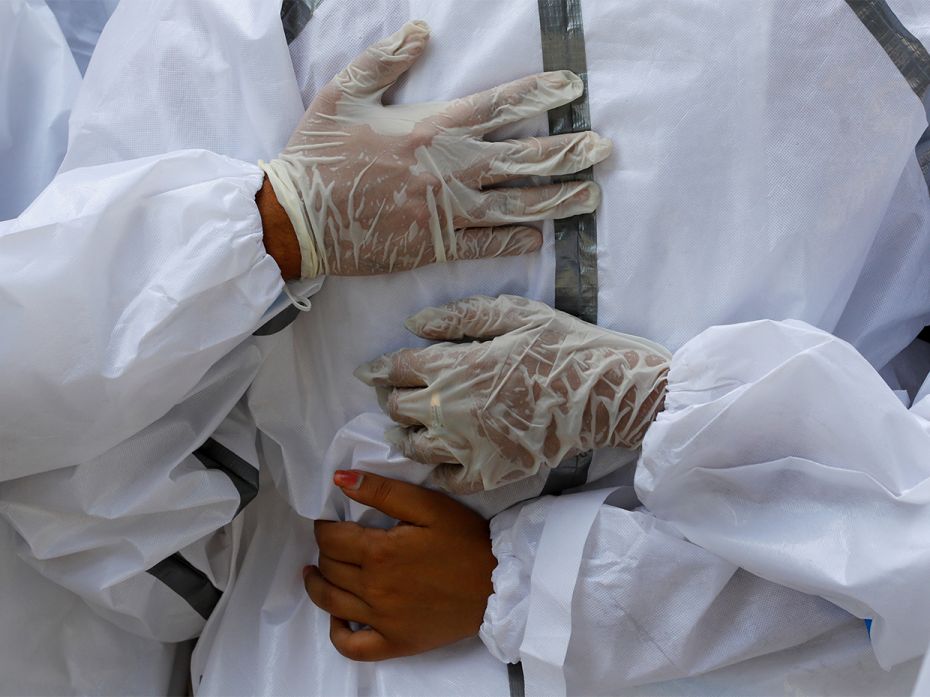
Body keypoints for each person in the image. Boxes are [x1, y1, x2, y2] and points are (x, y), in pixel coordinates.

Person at [2, 0, 929, 695]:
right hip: (329, 641)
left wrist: (557, 557)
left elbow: (906, 528)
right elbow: (55, 429)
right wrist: (278, 224)